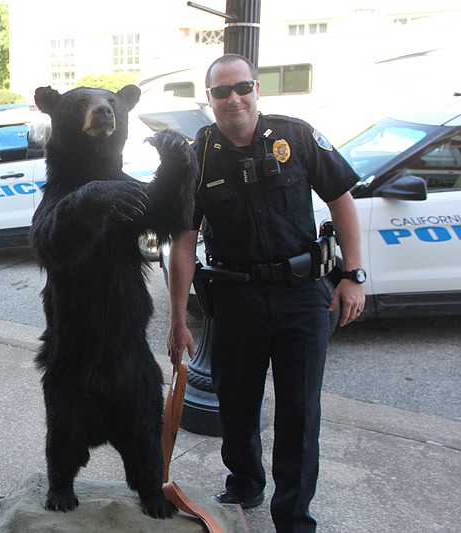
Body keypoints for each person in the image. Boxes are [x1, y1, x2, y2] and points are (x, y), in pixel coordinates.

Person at [166, 54, 365, 533]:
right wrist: (176, 320)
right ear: (209, 98)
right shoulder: (197, 158)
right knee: (236, 403)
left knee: (299, 412)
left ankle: (294, 517)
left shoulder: (295, 136)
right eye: (221, 91)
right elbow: (183, 245)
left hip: (302, 297)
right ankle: (245, 481)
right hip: (236, 300)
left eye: (242, 87)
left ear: (257, 90)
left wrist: (353, 275)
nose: (234, 98)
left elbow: (341, 200)